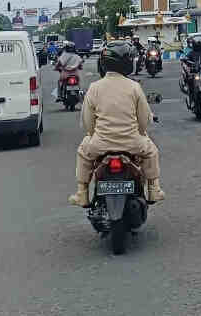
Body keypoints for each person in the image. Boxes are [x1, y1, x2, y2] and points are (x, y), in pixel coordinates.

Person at [69, 41, 164, 206]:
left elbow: (87, 122)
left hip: (100, 145)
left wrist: (93, 135)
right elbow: (143, 120)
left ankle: (82, 192)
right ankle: (153, 189)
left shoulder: (94, 87)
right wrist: (141, 133)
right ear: (127, 63)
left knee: (83, 152)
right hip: (132, 144)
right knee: (152, 151)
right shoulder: (134, 87)